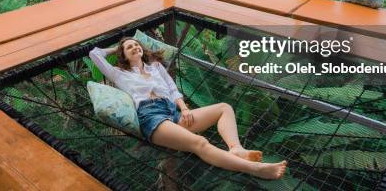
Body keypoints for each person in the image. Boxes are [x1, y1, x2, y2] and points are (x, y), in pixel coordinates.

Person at [89, 37, 287, 180]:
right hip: (152, 118)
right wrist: (117, 47)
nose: (134, 47)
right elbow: (94, 54)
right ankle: (255, 169)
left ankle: (236, 149)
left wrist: (184, 109)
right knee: (200, 143)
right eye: (129, 47)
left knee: (224, 108)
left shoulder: (156, 67)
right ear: (122, 54)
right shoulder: (120, 74)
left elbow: (173, 90)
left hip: (173, 113)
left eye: (136, 44)